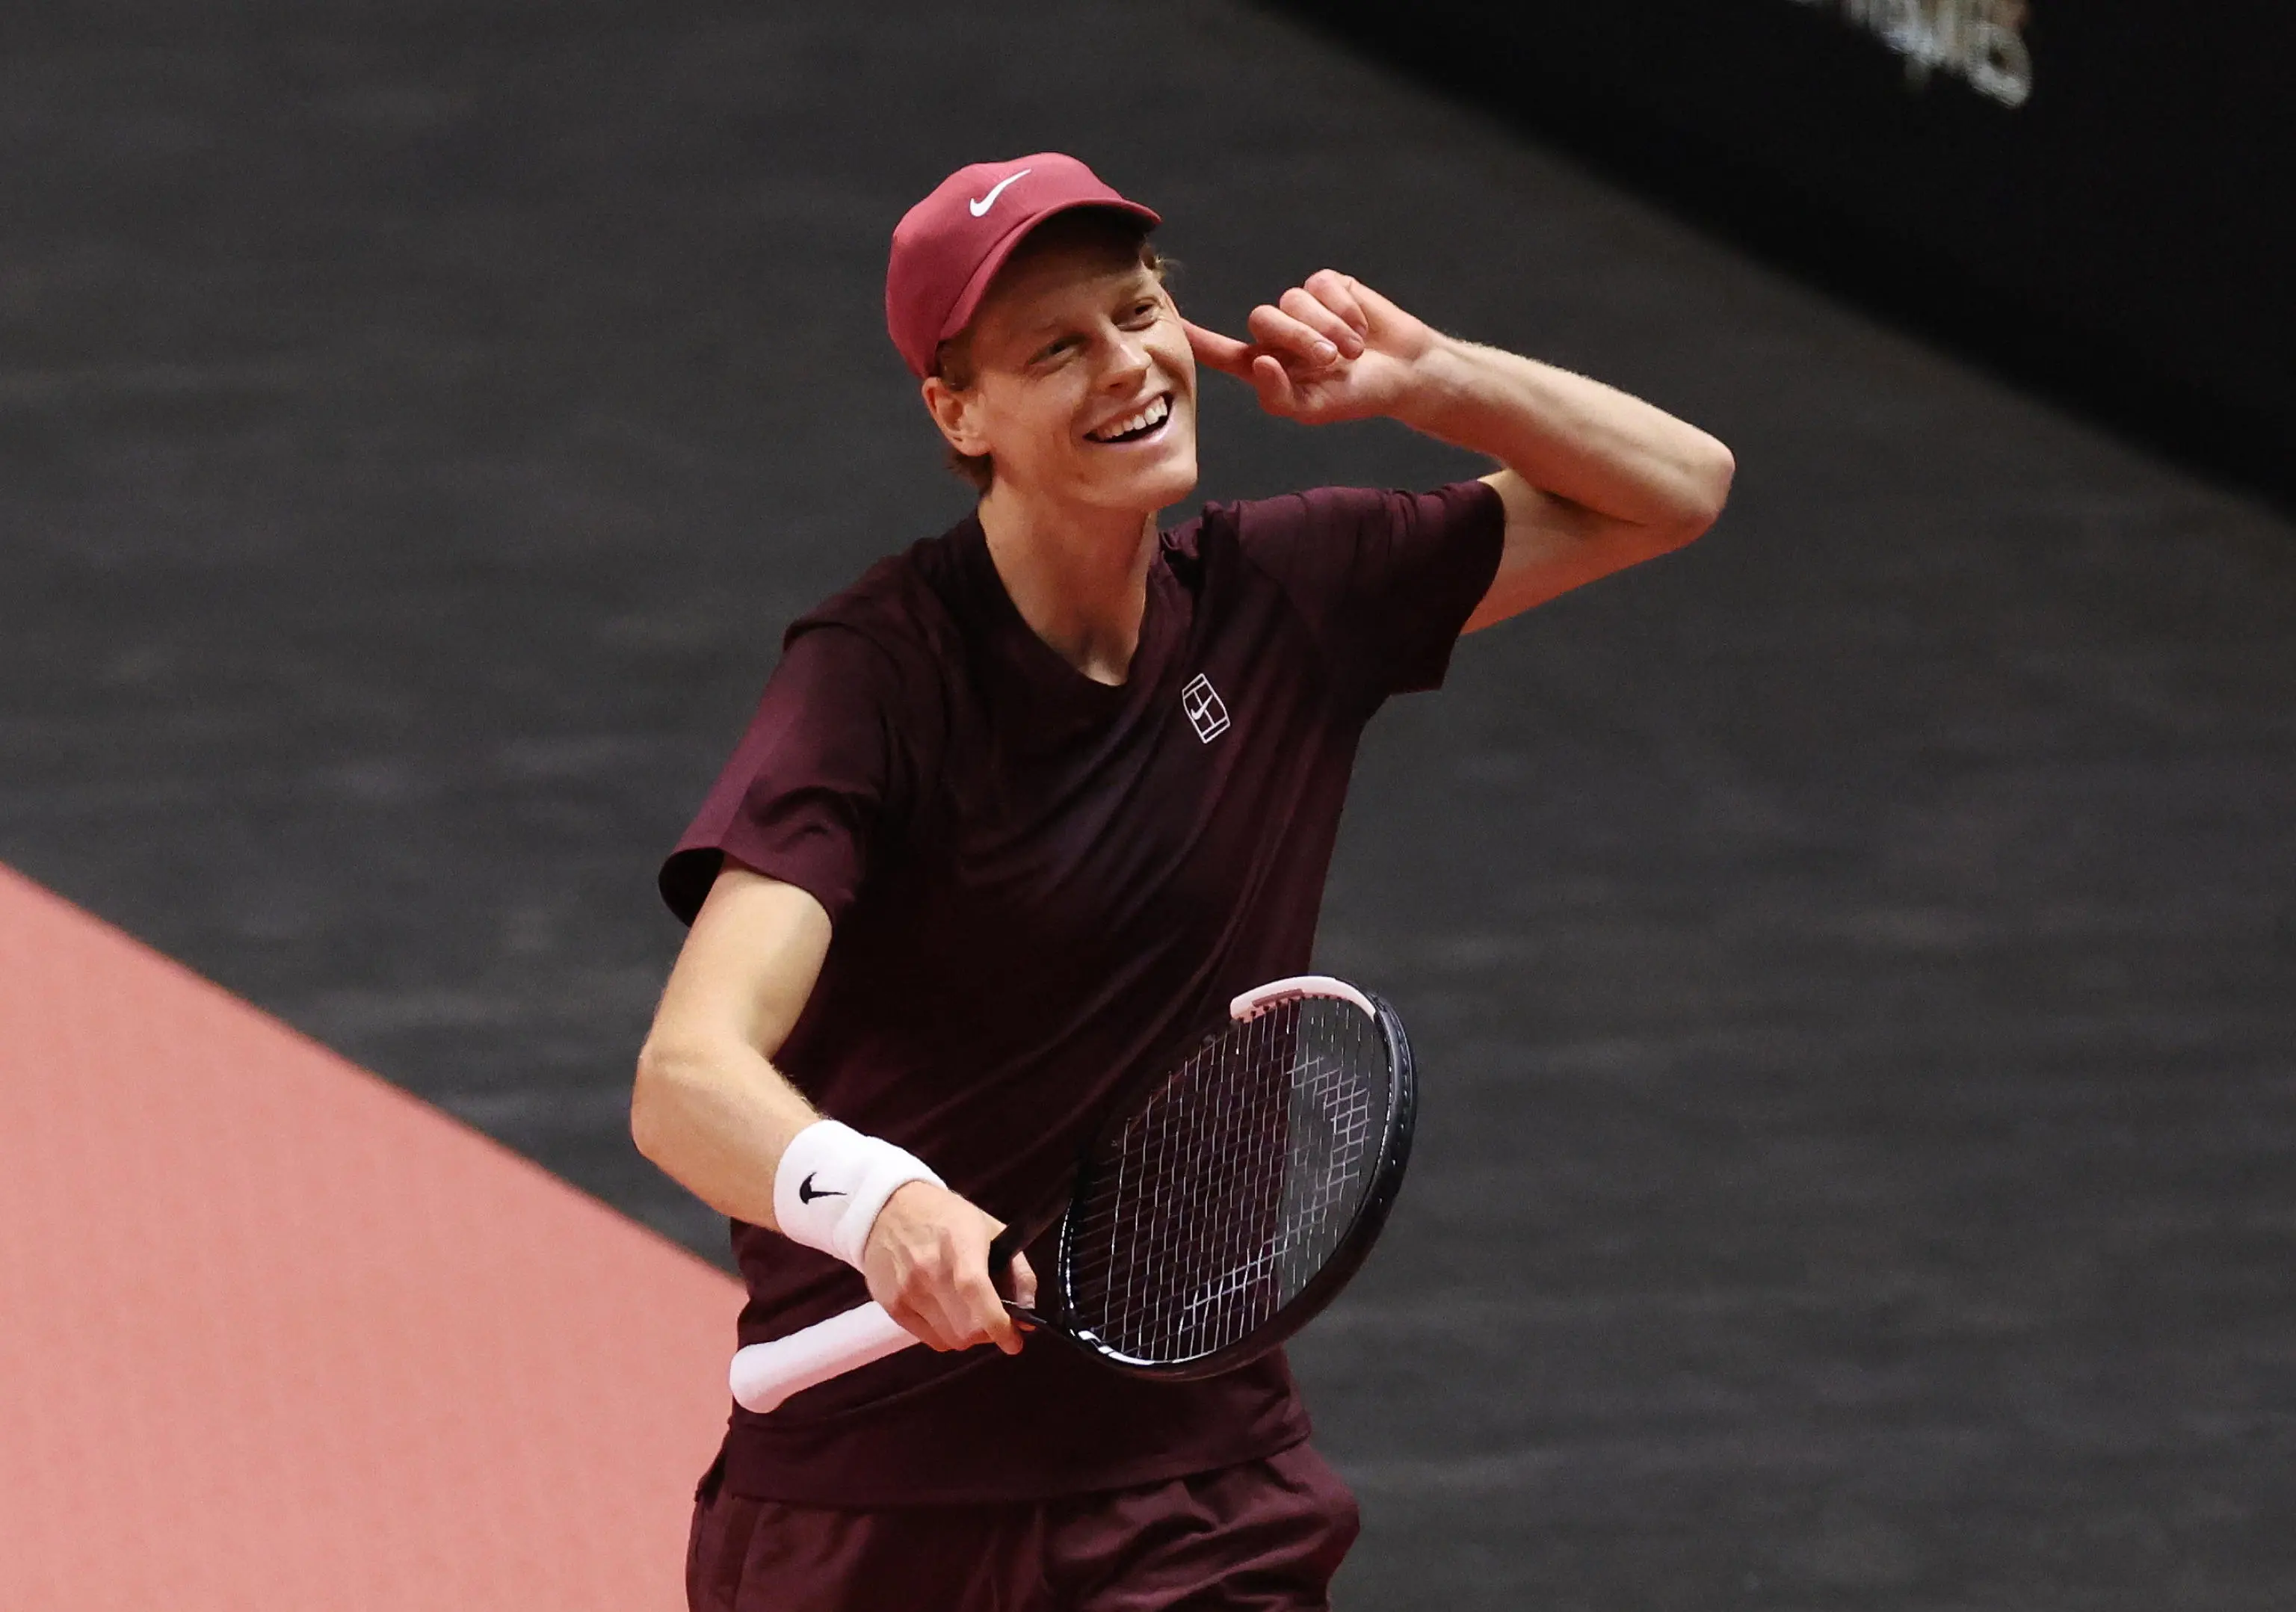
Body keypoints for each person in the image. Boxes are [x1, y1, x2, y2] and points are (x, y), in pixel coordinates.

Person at [633, 152, 1733, 1611]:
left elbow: (1677, 489)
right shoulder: (879, 681)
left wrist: (1432, 375)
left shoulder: (1288, 599)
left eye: (1139, 311)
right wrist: (885, 1207)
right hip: (875, 1514)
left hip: (1194, 1490)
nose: (1127, 364)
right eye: (1056, 348)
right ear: (960, 413)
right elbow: (688, 1074)